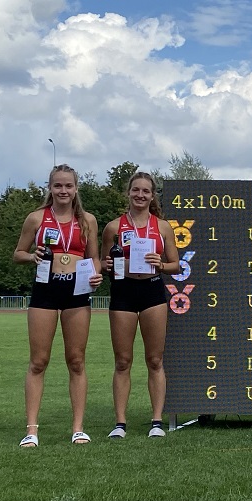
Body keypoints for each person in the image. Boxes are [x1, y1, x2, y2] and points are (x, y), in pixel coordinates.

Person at [12, 164, 103, 447]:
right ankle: (31, 430)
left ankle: (78, 428)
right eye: (58, 186)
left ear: (76, 189)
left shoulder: (88, 220)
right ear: (50, 188)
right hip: (45, 292)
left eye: (68, 186)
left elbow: (94, 257)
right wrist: (32, 257)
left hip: (77, 293)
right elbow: (18, 254)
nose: (63, 191)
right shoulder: (36, 219)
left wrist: (97, 274)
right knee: (38, 361)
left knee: (76, 361)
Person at [101, 171, 179, 439]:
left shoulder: (163, 226)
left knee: (155, 360)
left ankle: (156, 421)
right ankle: (120, 423)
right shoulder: (113, 227)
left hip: (153, 291)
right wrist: (106, 265)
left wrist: (161, 264)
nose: (140, 195)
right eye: (136, 190)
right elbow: (102, 263)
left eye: (146, 191)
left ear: (152, 195)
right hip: (123, 292)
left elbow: (176, 265)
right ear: (129, 193)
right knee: (122, 361)